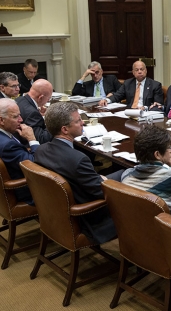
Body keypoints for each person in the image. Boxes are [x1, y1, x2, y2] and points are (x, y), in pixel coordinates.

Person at [34, 102, 117, 245]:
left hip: (56, 213)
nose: (82, 123)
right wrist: (102, 180)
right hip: (87, 219)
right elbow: (101, 192)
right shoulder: (78, 160)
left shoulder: (40, 150)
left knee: (123, 172)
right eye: (78, 121)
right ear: (65, 129)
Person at [120, 125, 171, 215]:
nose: (170, 150)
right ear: (157, 154)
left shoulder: (126, 175)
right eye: (169, 147)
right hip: (164, 225)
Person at [0, 98, 38, 205]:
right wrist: (32, 139)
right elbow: (35, 163)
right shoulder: (7, 146)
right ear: (1, 120)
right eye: (16, 116)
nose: (21, 120)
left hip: (2, 186)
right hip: (24, 190)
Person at [16, 79, 53, 144]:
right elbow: (41, 139)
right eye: (48, 98)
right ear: (40, 97)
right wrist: (54, 122)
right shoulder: (32, 113)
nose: (48, 101)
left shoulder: (20, 99)